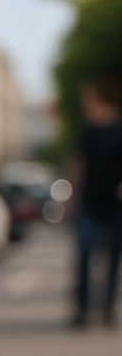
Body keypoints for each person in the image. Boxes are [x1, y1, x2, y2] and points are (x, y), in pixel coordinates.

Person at [70, 79, 122, 327]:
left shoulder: (119, 129)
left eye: (89, 99)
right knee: (83, 257)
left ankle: (108, 308)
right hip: (90, 203)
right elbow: (79, 165)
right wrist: (72, 198)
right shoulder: (88, 130)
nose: (86, 104)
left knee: (112, 259)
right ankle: (81, 311)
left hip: (116, 205)